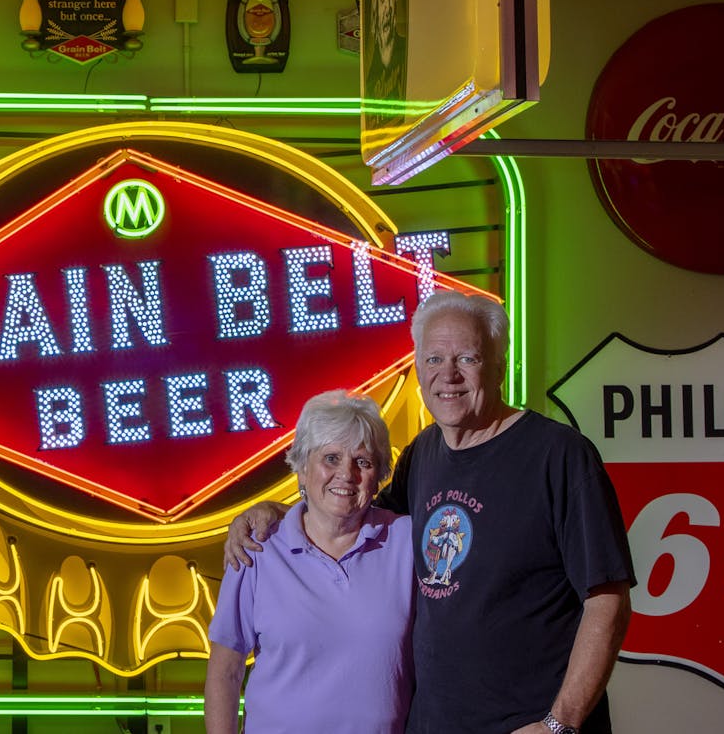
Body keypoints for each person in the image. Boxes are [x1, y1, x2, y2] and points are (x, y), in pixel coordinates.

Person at [225, 291, 635, 734]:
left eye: (468, 359)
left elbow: (608, 600)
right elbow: (350, 517)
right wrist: (276, 511)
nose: (449, 375)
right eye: (434, 359)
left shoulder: (559, 456)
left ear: (498, 366)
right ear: (418, 368)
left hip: (530, 725)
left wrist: (560, 723)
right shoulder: (423, 455)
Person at [205, 390, 414, 734]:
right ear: (302, 468)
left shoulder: (406, 542)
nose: (346, 474)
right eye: (330, 458)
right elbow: (225, 673)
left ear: (379, 477)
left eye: (363, 462)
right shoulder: (257, 547)